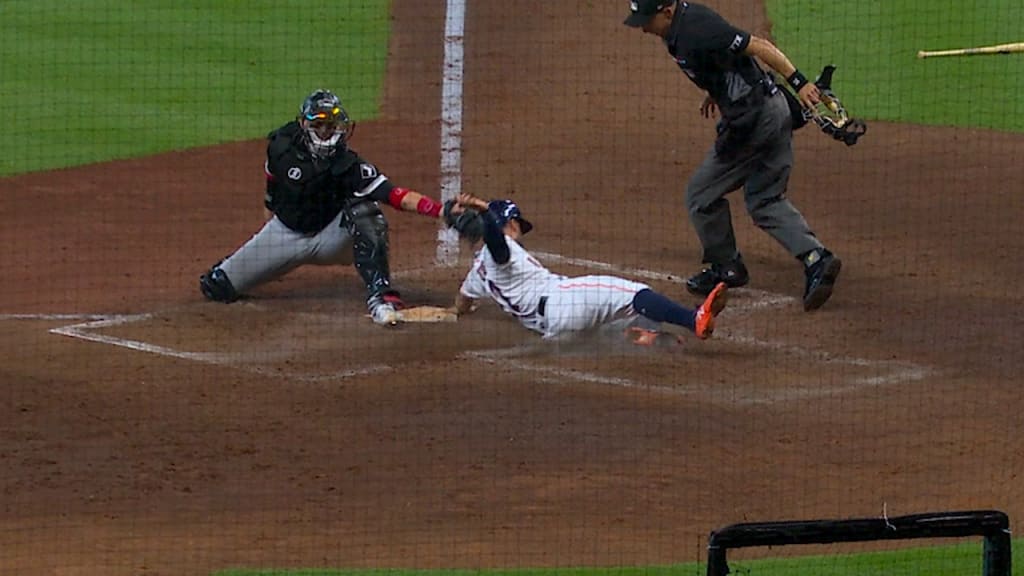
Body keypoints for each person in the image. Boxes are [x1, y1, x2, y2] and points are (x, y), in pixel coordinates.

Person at [623, 1, 842, 311]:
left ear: (668, 11)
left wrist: (801, 82)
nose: (643, 28)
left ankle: (726, 267)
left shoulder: (697, 28)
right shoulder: (682, 28)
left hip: (754, 123)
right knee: (765, 198)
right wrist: (716, 91)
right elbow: (726, 58)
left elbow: (759, 46)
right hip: (771, 110)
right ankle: (816, 258)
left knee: (700, 196)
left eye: (648, 19)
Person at [198, 89, 448, 326]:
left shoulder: (349, 165)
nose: (326, 131)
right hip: (284, 234)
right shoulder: (282, 147)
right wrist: (269, 203)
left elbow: (394, 195)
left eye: (331, 125)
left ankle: (381, 296)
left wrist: (441, 211)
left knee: (365, 210)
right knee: (217, 286)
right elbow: (273, 176)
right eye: (319, 125)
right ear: (304, 125)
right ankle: (246, 265)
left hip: (332, 240)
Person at [449, 194, 728, 344]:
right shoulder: (502, 250)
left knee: (618, 323)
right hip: (565, 300)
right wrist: (485, 211)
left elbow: (463, 300)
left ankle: (648, 339)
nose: (518, 227)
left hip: (552, 329)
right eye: (515, 222)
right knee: (633, 294)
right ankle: (695, 319)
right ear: (506, 224)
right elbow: (497, 244)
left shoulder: (478, 272)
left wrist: (455, 311)